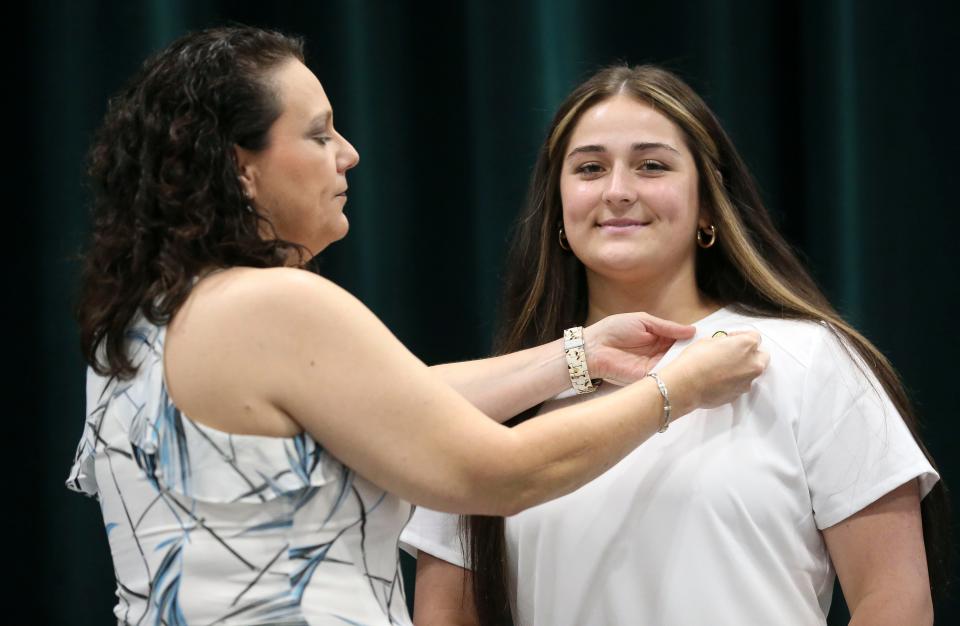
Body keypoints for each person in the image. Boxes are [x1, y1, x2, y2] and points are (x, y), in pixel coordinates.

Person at [66, 30, 767, 625]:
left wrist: (577, 355)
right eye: (318, 134)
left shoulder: (144, 318)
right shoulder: (274, 304)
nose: (348, 153)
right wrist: (676, 390)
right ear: (241, 168)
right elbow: (496, 472)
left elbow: (394, 400)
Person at [403, 64, 948, 626]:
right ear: (558, 211)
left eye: (652, 166)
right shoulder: (503, 398)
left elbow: (895, 600)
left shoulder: (809, 359)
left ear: (708, 204)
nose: (618, 191)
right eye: (590, 168)